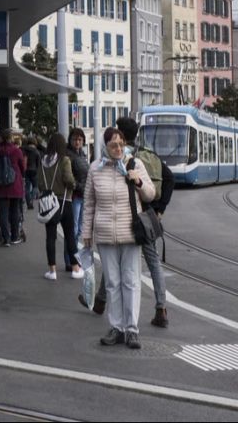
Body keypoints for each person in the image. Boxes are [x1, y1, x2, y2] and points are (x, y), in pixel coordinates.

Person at [82, 127, 155, 350]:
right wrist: (86, 233)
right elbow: (89, 204)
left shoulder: (135, 164)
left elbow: (151, 193)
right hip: (104, 234)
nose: (119, 149)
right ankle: (117, 327)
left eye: (121, 144)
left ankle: (132, 329)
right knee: (112, 282)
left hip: (130, 233)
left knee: (131, 281)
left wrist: (139, 182)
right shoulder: (95, 169)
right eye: (114, 145)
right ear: (105, 146)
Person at [116, 116, 174, 328]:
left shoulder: (123, 158)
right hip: (147, 216)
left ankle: (103, 302)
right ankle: (161, 308)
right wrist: (160, 209)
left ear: (119, 133)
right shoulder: (150, 155)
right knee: (153, 263)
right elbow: (169, 179)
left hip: (127, 215)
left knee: (117, 257)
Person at [38, 132, 82, 280]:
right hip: (64, 202)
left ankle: (52, 271)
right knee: (70, 235)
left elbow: (39, 182)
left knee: (50, 237)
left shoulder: (43, 161)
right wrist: (74, 185)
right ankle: (76, 268)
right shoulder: (65, 160)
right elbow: (69, 179)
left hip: (48, 203)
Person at [0, 128, 27, 246]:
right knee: (14, 211)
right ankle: (15, 236)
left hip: (0, 186)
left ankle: (6, 239)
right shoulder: (17, 151)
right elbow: (22, 167)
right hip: (14, 184)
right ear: (11, 138)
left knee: (3, 213)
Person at [64, 128, 89, 270]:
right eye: (75, 139)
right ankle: (70, 261)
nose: (77, 142)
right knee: (72, 230)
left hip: (82, 196)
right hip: (74, 196)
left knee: (78, 230)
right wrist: (80, 187)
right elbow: (69, 178)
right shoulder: (69, 156)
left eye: (80, 139)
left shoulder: (82, 154)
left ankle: (74, 259)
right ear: (70, 140)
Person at [23, 138, 41, 209]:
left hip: (26, 170)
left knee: (27, 187)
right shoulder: (36, 152)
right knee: (35, 187)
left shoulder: (24, 150)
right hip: (34, 171)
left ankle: (28, 202)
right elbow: (38, 163)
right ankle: (32, 200)